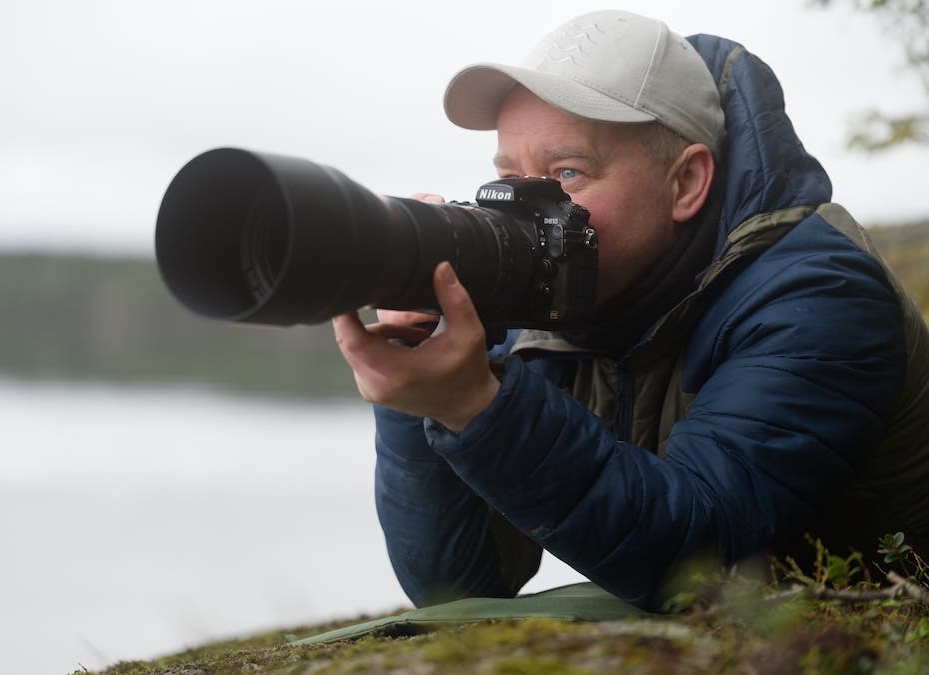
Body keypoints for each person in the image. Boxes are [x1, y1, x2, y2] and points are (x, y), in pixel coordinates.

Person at [331, 9, 929, 610]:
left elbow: (702, 560)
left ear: (687, 182)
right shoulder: (552, 305)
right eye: (511, 177)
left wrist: (475, 406)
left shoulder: (815, 297)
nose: (525, 210)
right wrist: (422, 393)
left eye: (567, 172)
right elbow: (458, 589)